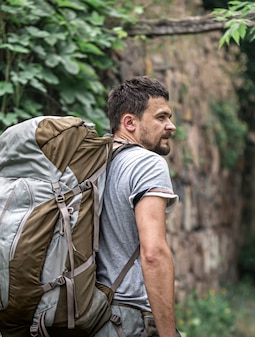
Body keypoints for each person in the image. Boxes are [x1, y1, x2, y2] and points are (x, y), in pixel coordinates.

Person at [94, 76, 180, 337]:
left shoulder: (95, 162)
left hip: (89, 312)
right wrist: (168, 334)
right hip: (127, 318)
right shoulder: (148, 164)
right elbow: (153, 253)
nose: (171, 126)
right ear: (129, 122)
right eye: (161, 117)